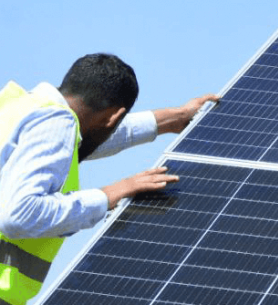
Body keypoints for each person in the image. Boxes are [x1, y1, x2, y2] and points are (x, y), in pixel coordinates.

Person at [0, 53, 219, 305]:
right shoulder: (56, 124)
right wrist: (110, 194)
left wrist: (171, 119)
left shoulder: (20, 108)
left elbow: (78, 140)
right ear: (113, 117)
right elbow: (19, 214)